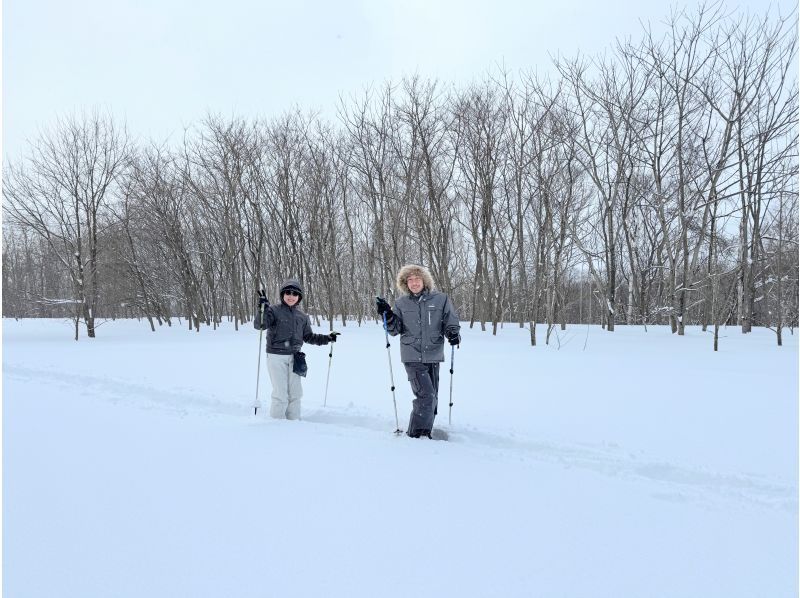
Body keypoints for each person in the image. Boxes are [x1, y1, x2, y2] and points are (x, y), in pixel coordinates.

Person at [376, 264, 461, 438]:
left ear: (424, 280)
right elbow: (394, 330)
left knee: (433, 397)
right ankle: (416, 435)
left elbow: (450, 321)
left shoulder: (441, 299)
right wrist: (388, 315)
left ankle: (425, 431)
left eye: (417, 279)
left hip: (434, 354)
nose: (414, 283)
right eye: (410, 280)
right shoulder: (401, 303)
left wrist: (453, 333)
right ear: (405, 283)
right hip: (412, 355)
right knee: (426, 396)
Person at [254, 279, 339, 420]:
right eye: (288, 292)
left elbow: (309, 337)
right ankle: (276, 423)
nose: (291, 296)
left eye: (295, 294)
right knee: (280, 393)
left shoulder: (302, 317)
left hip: (295, 357)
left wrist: (327, 338)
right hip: (276, 357)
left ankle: (294, 422)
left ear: (299, 297)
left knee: (296, 393)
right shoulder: (273, 311)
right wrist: (263, 309)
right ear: (282, 294)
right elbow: (260, 325)